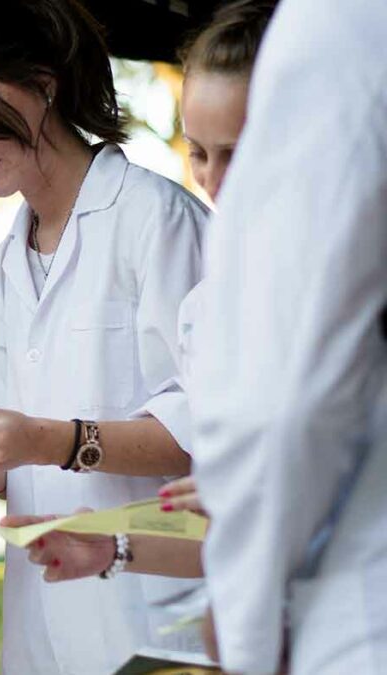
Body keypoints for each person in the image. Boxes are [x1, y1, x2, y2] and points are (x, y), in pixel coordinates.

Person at [0, 0, 210, 671]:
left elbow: (209, 433)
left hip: (158, 623)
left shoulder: (159, 222)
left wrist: (50, 439)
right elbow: (18, 471)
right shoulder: (3, 268)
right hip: (43, 627)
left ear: (43, 83)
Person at [0, 0, 278, 589]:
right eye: (198, 153)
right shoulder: (214, 305)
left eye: (239, 151)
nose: (214, 181)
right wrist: (109, 548)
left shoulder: (164, 223)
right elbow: (224, 517)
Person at [190, 0, 387, 671]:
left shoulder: (336, 27)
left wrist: (242, 628)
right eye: (197, 154)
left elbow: (281, 411)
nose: (217, 182)